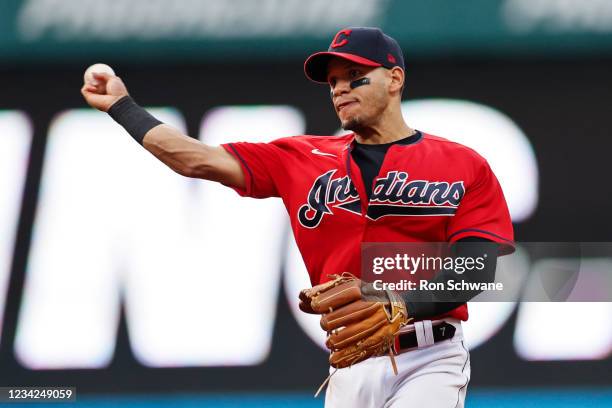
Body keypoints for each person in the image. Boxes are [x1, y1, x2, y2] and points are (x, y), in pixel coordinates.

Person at [81, 27, 514, 408]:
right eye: (332, 82)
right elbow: (196, 159)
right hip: (349, 363)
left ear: (395, 78)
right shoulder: (299, 157)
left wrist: (400, 303)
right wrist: (123, 107)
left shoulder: (460, 163)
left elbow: (475, 268)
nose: (340, 89)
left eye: (354, 77)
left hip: (429, 357)